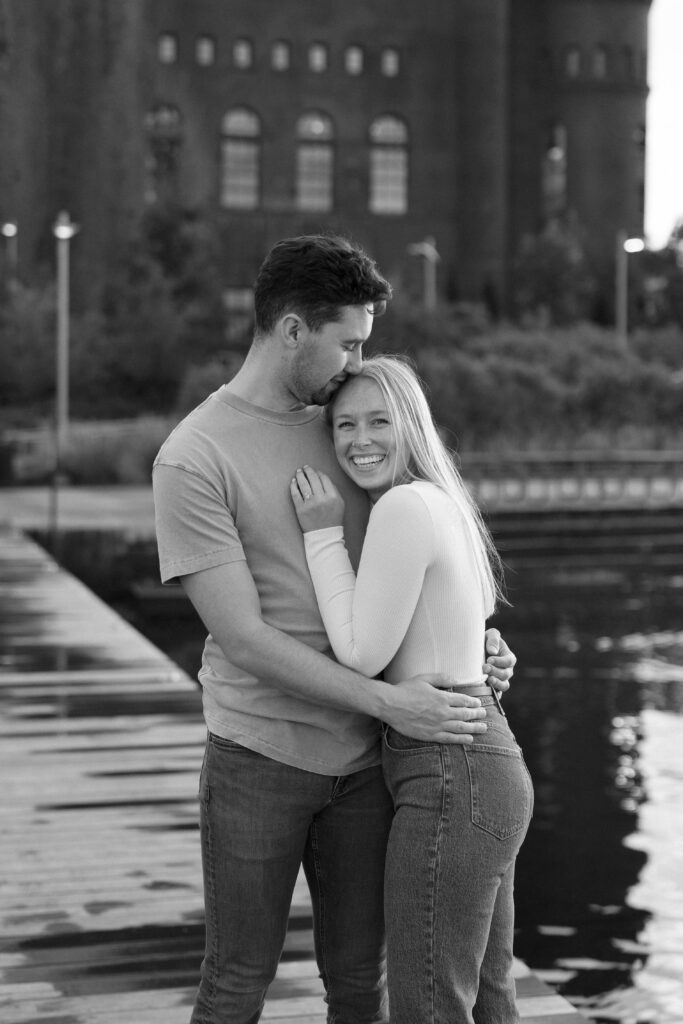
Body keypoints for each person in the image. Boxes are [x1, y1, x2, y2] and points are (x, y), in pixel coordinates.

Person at [152, 234, 517, 1024]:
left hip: (369, 763)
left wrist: (470, 641)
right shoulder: (193, 457)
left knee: (360, 982)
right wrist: (393, 704)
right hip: (260, 755)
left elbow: (418, 555)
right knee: (236, 980)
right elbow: (244, 637)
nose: (355, 360)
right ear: (291, 330)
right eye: (346, 341)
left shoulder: (346, 421)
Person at [290, 354, 533, 1024]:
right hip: (481, 759)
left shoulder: (400, 505)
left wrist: (319, 537)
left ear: (412, 425)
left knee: (426, 1005)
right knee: (485, 999)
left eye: (377, 421)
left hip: (448, 772)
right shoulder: (443, 500)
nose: (359, 439)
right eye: (343, 426)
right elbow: (466, 628)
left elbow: (363, 655)